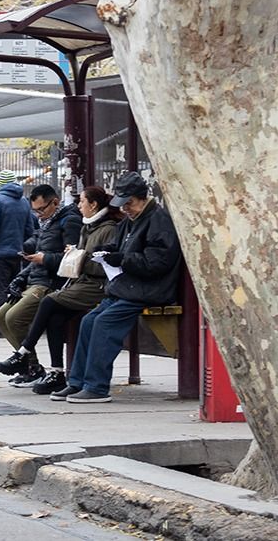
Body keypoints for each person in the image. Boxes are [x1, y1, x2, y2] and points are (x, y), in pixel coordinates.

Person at [52, 172, 183, 404]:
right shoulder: (130, 221)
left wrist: (121, 258)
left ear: (142, 198)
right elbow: (119, 246)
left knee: (103, 324)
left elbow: (157, 262)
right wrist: (106, 252)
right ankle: (78, 382)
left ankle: (96, 386)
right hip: (128, 287)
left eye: (129, 204)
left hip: (146, 289)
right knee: (89, 321)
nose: (126, 209)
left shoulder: (158, 221)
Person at [0, 185, 120, 394]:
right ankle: (56, 372)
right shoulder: (81, 226)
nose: (79, 205)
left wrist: (63, 257)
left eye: (82, 201)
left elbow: (95, 263)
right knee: (13, 316)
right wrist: (21, 276)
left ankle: (26, 357)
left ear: (93, 204)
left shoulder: (89, 225)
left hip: (80, 283)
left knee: (39, 306)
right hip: (68, 281)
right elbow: (57, 254)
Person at [0, 184, 82, 387]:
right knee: (0, 316)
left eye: (42, 209)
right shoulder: (48, 222)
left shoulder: (69, 221)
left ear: (55, 202)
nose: (39, 215)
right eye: (36, 211)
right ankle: (30, 367)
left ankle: (31, 366)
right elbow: (38, 258)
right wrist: (21, 278)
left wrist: (45, 259)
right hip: (35, 279)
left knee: (14, 317)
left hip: (50, 283)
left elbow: (73, 258)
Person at [0, 170, 37, 336]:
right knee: (17, 288)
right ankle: (16, 324)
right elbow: (30, 229)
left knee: (2, 289)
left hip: (0, 253)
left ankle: (0, 328)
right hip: (19, 253)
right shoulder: (24, 202)